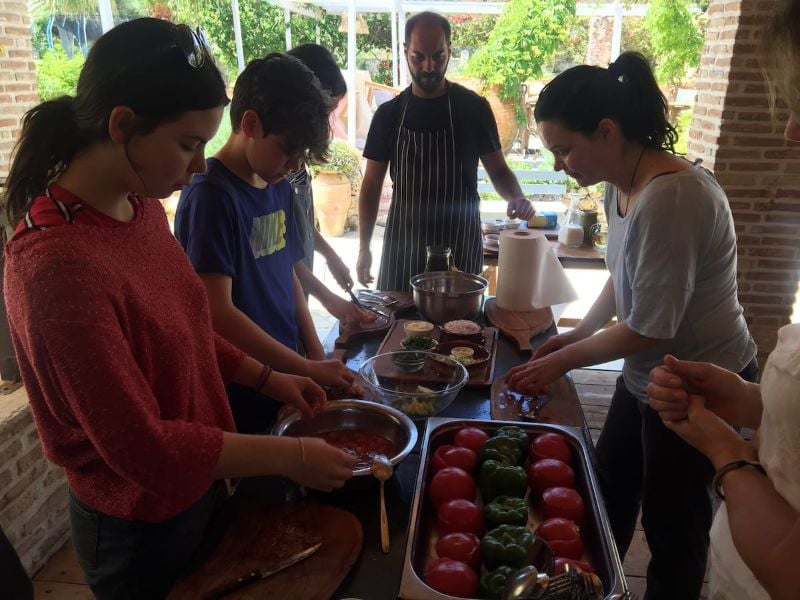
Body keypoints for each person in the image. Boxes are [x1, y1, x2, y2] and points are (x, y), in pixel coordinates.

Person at [2, 19, 356, 598]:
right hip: (140, 526)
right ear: (122, 126)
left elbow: (189, 326)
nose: (199, 167)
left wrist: (272, 380)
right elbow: (143, 449)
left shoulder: (137, 207)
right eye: (189, 144)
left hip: (203, 486)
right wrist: (290, 456)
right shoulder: (56, 268)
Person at [505, 52, 757, 599]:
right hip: (649, 377)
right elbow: (623, 280)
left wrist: (560, 361)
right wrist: (575, 333)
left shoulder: (673, 196)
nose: (560, 164)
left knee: (674, 529)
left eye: (565, 149)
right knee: (606, 494)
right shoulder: (623, 183)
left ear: (607, 130)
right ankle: (593, 589)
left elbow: (651, 325)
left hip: (699, 385)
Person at [648, 3, 800, 598]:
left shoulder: (674, 195)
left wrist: (726, 452)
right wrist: (747, 398)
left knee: (671, 520)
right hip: (738, 569)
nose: (789, 129)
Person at [175, 54, 362, 434]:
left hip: (286, 373)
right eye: (287, 150)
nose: (294, 165)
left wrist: (313, 354)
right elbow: (217, 313)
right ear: (250, 123)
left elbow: (288, 273)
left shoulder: (275, 183)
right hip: (241, 388)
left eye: (301, 157)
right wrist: (305, 367)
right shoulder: (212, 197)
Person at [355, 11, 534, 292]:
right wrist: (364, 248)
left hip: (460, 245)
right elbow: (371, 184)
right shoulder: (389, 115)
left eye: (438, 56)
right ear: (405, 52)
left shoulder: (474, 109)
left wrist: (515, 195)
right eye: (419, 57)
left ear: (449, 51)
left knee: (461, 332)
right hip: (404, 247)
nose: (429, 67)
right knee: (399, 327)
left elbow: (498, 169)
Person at [286, 44, 355, 294]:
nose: (325, 123)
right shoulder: (273, 169)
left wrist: (330, 256)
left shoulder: (294, 161)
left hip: (296, 303)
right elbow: (281, 261)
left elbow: (299, 225)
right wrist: (328, 300)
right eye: (324, 112)